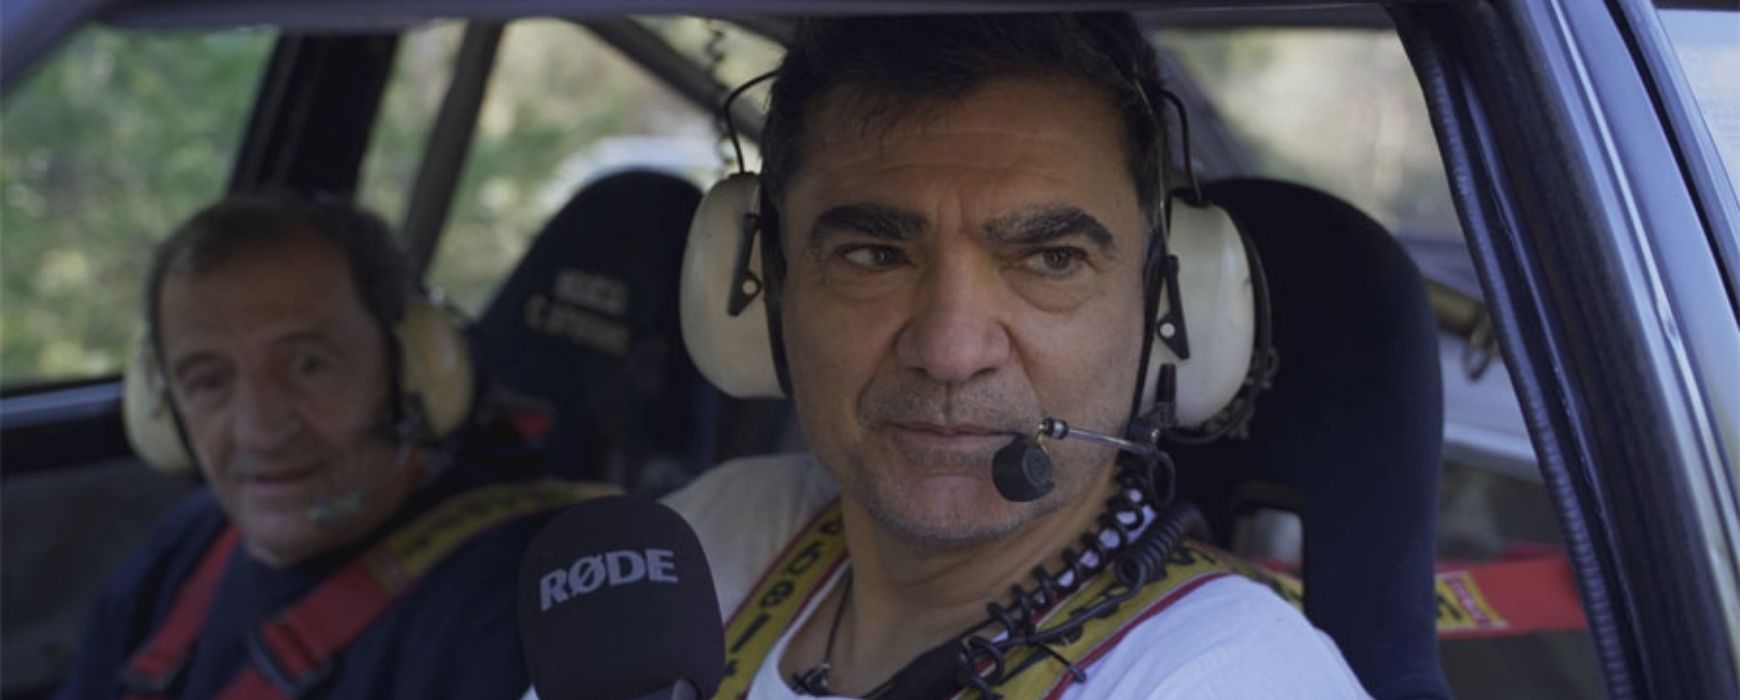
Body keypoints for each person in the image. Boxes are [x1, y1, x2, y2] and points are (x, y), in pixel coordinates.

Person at [664, 14, 1370, 698]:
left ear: (1166, 308)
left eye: (1051, 259)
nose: (950, 353)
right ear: (766, 291)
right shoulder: (720, 534)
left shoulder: (1221, 677)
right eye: (874, 255)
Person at [57, 194, 606, 699]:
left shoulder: (512, 602)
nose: (260, 431)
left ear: (411, 368)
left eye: (307, 365)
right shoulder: (184, 550)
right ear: (160, 405)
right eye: (208, 381)